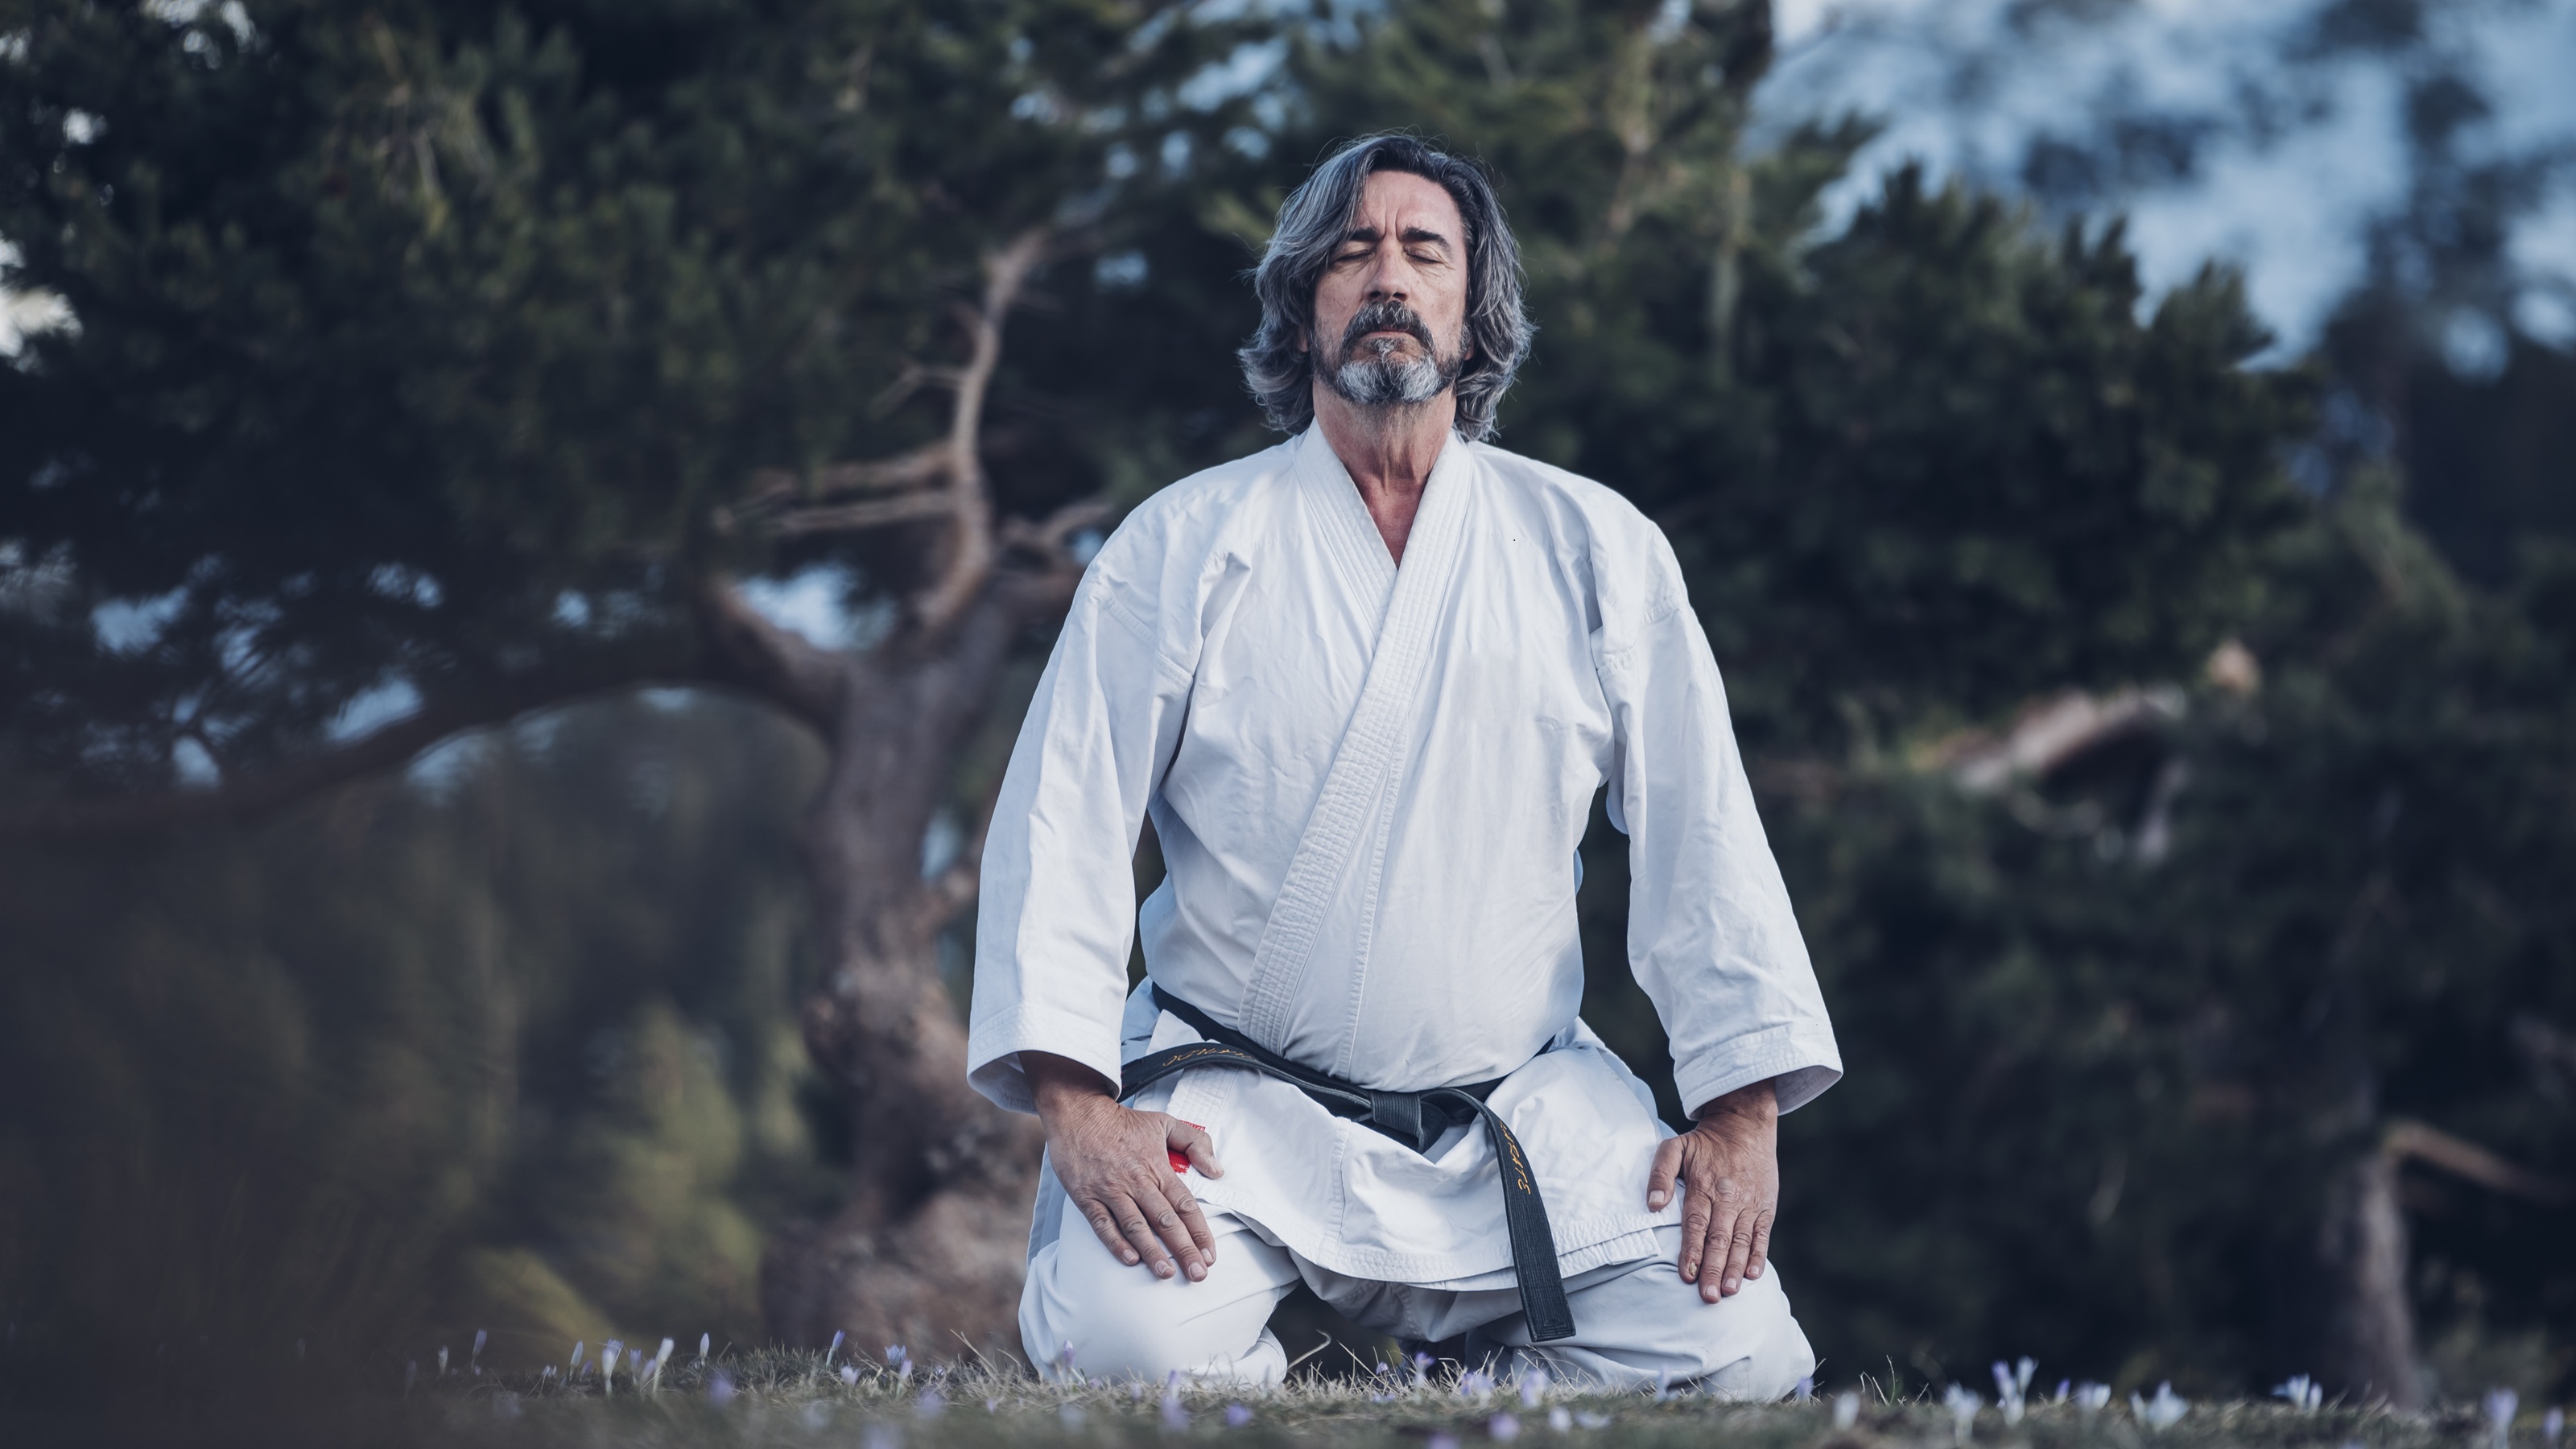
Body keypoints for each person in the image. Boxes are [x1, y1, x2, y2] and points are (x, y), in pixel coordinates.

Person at [966, 134, 1839, 1393]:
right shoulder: (1187, 543)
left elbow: (1703, 833)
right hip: (1239, 1120)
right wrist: (1082, 1111)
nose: (1387, 275)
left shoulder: (1592, 545)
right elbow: (1064, 825)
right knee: (1121, 1352)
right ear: (1302, 307)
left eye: (1423, 250)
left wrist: (1739, 1114)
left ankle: (1463, 1407)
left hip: (1518, 1119)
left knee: (1741, 1356)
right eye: (1351, 252)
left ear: (1473, 315)